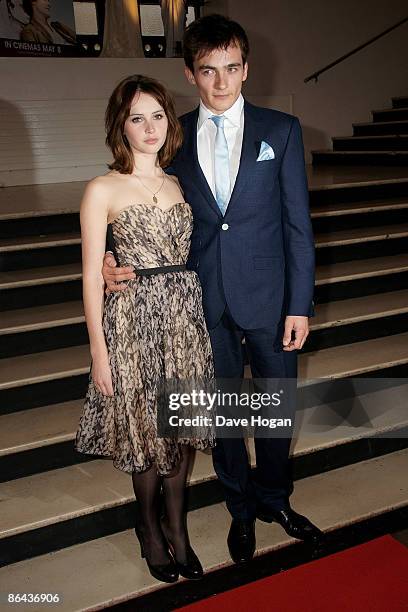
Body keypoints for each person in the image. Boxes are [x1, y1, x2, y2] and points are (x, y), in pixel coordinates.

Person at [102, 14, 323, 565]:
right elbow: (131, 190)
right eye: (208, 71)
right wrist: (110, 253)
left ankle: (275, 499)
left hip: (271, 301)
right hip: (202, 303)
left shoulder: (281, 130)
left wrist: (300, 303)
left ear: (246, 68)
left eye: (231, 69)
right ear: (190, 73)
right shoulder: (170, 133)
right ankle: (240, 510)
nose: (221, 82)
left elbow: (299, 224)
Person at [74, 74, 215, 583]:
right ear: (121, 126)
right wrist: (99, 351)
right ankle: (149, 531)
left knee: (177, 429)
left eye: (158, 115)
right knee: (144, 431)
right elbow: (92, 275)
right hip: (131, 324)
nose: (149, 127)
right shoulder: (102, 187)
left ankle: (177, 529)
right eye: (137, 117)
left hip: (183, 320)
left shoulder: (181, 181)